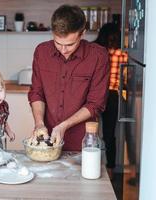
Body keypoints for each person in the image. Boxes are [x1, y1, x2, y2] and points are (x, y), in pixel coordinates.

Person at [28, 4, 110, 151]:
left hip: (83, 143)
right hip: (47, 142)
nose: (63, 50)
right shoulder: (42, 52)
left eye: (70, 44)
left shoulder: (98, 56)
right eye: (58, 43)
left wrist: (63, 126)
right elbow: (36, 93)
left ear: (82, 33)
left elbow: (95, 104)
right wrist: (39, 123)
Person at [93, 22, 128, 179]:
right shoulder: (122, 54)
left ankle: (88, 163)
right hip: (113, 96)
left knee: (89, 131)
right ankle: (111, 170)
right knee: (109, 134)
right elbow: (127, 77)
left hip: (94, 95)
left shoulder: (96, 51)